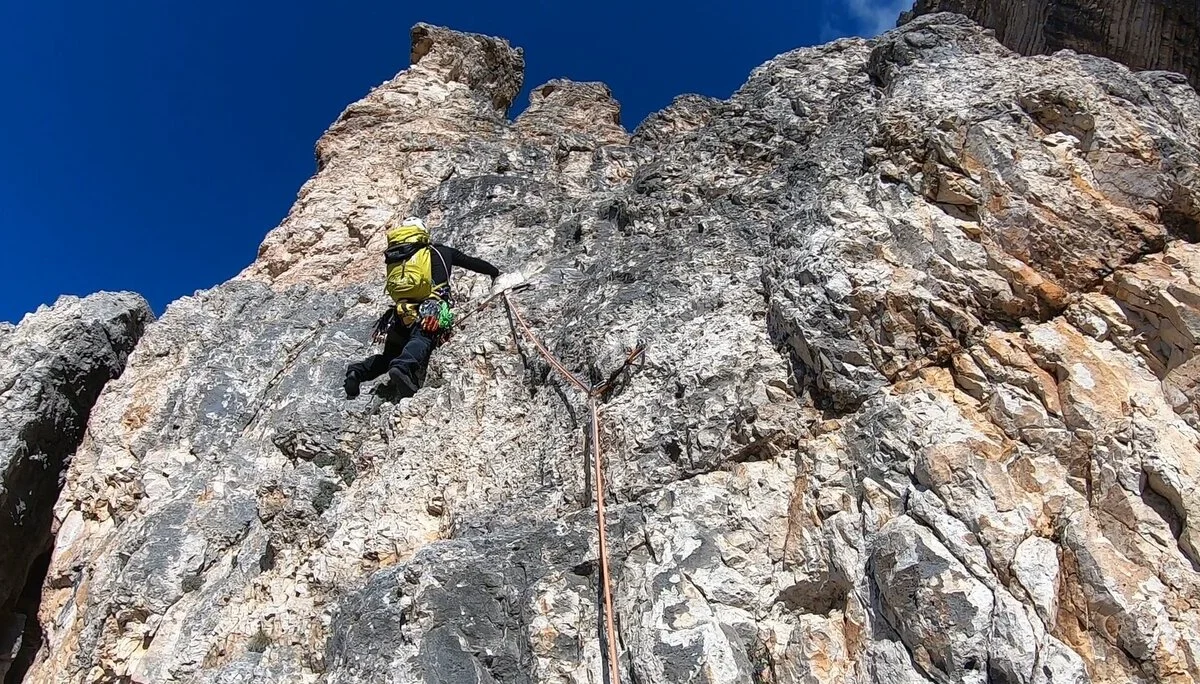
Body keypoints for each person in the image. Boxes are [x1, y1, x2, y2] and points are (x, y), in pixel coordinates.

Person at [344, 217, 521, 399]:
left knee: (389, 355)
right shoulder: (438, 251)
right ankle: (403, 367)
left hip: (401, 312)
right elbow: (471, 262)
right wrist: (495, 273)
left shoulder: (396, 255)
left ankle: (357, 372)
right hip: (429, 309)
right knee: (423, 338)